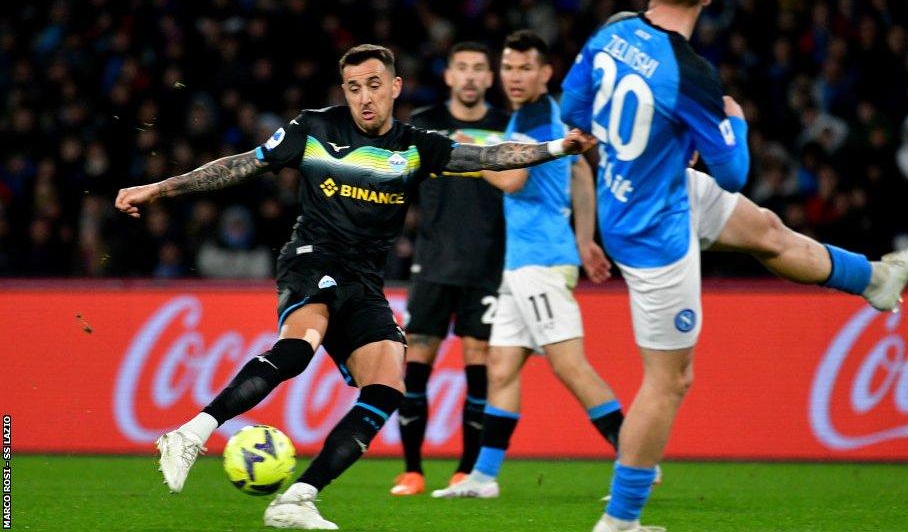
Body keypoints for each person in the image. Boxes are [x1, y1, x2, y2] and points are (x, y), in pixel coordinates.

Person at [114, 43, 596, 530]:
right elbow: (239, 165)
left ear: (395, 87)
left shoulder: (415, 146)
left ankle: (297, 498)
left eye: (373, 85)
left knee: (388, 386)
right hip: (312, 258)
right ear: (343, 91)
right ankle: (191, 434)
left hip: (365, 280)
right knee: (300, 347)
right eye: (353, 88)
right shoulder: (315, 128)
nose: (364, 97)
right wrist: (157, 189)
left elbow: (489, 156)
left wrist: (557, 147)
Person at [558, 0, 908, 531]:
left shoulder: (611, 34)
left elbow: (574, 114)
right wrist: (734, 119)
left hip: (653, 191)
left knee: (766, 230)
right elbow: (733, 169)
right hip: (653, 233)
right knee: (669, 382)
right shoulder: (693, 76)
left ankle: (877, 281)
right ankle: (619, 522)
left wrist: (641, 148)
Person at [431, 30, 624, 499]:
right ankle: (483, 477)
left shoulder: (536, 120)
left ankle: (636, 458)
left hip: (539, 261)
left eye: (524, 69)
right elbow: (580, 170)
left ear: (544, 73)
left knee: (570, 366)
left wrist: (467, 157)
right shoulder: (540, 115)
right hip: (525, 262)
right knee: (501, 368)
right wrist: (584, 239)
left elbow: (513, 179)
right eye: (509, 68)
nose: (515, 77)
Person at [390, 41, 510, 496]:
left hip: (487, 263)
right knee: (417, 361)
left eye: (479, 68)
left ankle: (465, 470)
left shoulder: (505, 127)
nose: (471, 76)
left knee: (478, 364)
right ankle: (412, 470)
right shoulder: (424, 126)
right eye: (462, 68)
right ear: (449, 76)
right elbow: (398, 185)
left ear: (489, 77)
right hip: (433, 262)